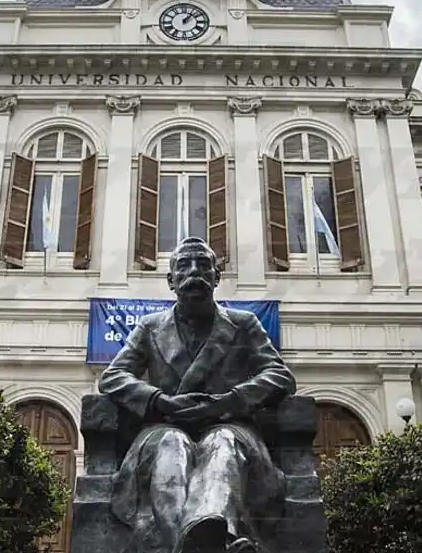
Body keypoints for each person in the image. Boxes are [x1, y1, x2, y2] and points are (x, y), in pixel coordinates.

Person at [98, 237, 296, 553]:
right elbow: (113, 376)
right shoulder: (150, 328)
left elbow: (279, 375)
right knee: (170, 445)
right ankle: (218, 545)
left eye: (204, 266)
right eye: (184, 266)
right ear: (171, 279)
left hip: (229, 425)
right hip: (165, 426)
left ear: (217, 277)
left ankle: (199, 540)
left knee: (222, 445)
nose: (194, 273)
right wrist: (158, 400)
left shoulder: (243, 324)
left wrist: (230, 401)